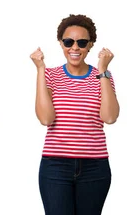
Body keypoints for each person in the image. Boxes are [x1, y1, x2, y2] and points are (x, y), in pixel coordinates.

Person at [31, 14, 119, 215]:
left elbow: (110, 117)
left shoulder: (103, 77)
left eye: (82, 42)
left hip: (95, 166)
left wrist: (103, 69)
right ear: (61, 43)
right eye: (68, 42)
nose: (75, 48)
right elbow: (46, 119)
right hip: (55, 165)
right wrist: (40, 70)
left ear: (91, 45)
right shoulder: (50, 75)